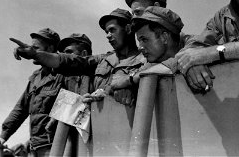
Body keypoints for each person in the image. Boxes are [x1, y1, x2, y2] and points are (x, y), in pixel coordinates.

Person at [11, 9, 146, 106]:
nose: (108, 35)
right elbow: (71, 61)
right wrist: (35, 54)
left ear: (128, 29)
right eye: (106, 32)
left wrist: (128, 85)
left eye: (112, 30)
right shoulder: (103, 60)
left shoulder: (145, 59)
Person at [125, 0, 214, 91]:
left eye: (138, 13)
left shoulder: (194, 44)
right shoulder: (148, 55)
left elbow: (190, 56)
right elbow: (118, 82)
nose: (133, 19)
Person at [0, 28, 63, 157]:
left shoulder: (63, 74)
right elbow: (21, 108)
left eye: (36, 48)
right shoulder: (35, 78)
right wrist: (4, 136)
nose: (31, 51)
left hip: (54, 147)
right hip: (35, 147)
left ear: (50, 48)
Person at [110, 6, 184, 90]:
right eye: (139, 41)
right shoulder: (151, 64)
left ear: (164, 37)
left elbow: (180, 62)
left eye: (144, 39)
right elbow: (115, 82)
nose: (140, 47)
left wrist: (136, 78)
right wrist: (128, 85)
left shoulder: (193, 56)